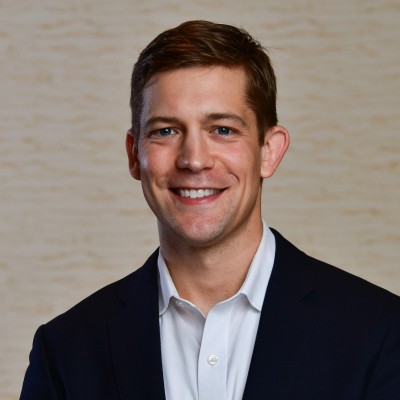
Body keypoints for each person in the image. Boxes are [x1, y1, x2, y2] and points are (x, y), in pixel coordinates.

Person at [21, 20, 400, 400]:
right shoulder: (65, 352)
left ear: (269, 151)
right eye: (165, 131)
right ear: (134, 155)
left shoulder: (380, 333)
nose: (194, 160)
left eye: (222, 130)